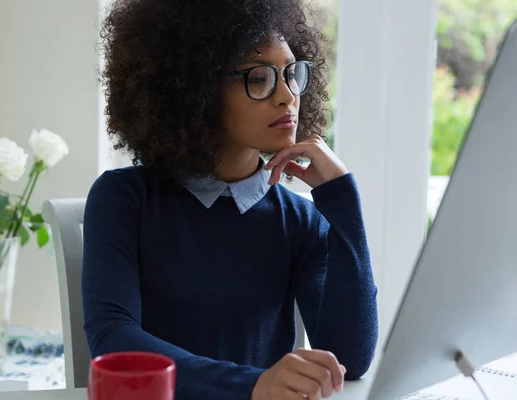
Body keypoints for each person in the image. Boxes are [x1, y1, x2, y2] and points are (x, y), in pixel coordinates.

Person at [82, 0, 378, 398]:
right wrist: (253, 385)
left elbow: (348, 358)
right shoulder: (124, 198)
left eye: (291, 74)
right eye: (259, 78)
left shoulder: (301, 221)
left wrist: (342, 198)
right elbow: (113, 339)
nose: (287, 96)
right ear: (196, 88)